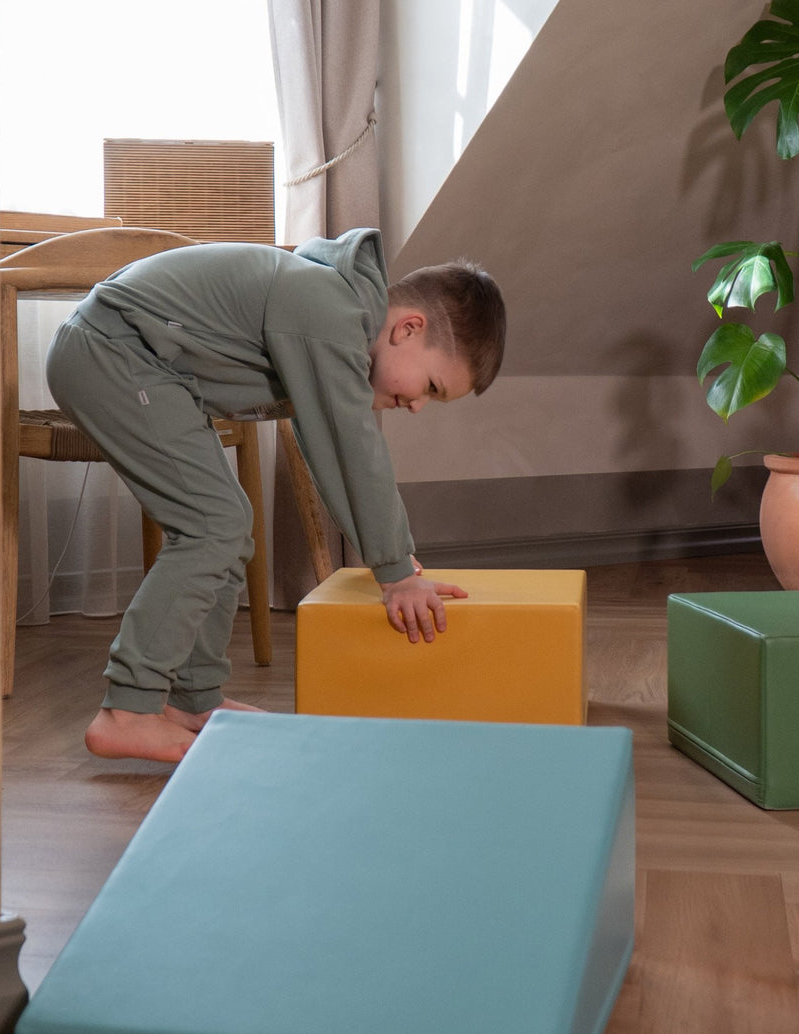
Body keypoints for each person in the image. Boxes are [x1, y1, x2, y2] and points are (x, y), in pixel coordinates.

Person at [43, 227, 506, 764]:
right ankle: (127, 709)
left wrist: (389, 557)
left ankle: (192, 699)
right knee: (214, 523)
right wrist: (396, 572)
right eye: (430, 387)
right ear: (408, 328)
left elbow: (326, 441)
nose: (418, 406)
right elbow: (350, 445)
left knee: (226, 524)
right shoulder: (329, 309)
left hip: (137, 360)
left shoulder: (330, 312)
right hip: (112, 350)